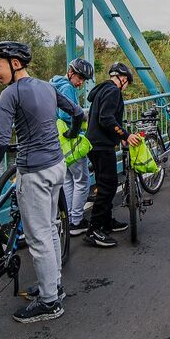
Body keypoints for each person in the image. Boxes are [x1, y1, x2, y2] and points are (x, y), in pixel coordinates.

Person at [0, 41, 84, 323]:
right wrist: (73, 135)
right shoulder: (47, 87)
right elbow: (78, 114)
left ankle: (49, 303)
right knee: (50, 228)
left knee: (38, 238)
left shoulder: (9, 94)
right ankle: (54, 286)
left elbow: (1, 139)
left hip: (34, 172)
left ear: (15, 63)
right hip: (56, 166)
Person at [84, 62, 141, 249]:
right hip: (102, 145)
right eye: (127, 83)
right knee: (107, 186)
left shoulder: (102, 89)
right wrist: (125, 134)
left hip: (95, 143)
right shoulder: (113, 91)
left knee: (104, 183)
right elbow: (106, 117)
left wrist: (119, 135)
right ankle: (93, 230)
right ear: (123, 79)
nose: (126, 87)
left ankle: (106, 222)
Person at [50, 58, 95, 236]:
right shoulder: (67, 87)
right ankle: (77, 221)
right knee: (83, 181)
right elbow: (66, 113)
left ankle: (68, 219)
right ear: (71, 73)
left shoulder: (55, 84)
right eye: (80, 78)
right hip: (70, 139)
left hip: (58, 140)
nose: (81, 82)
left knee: (68, 180)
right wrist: (83, 116)